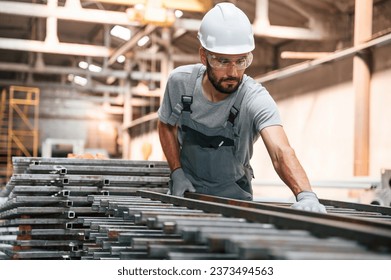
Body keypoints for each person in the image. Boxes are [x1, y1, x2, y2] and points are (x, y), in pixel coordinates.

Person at [157, 2, 327, 213]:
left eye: (241, 61)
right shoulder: (180, 83)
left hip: (234, 200)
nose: (233, 72)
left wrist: (305, 194)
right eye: (223, 61)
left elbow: (281, 151)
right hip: (187, 194)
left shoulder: (254, 97)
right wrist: (176, 172)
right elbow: (166, 125)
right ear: (204, 56)